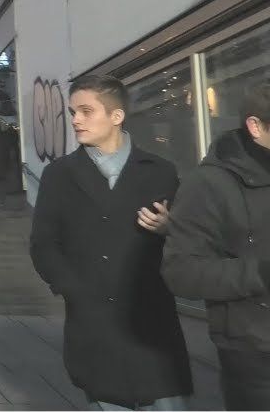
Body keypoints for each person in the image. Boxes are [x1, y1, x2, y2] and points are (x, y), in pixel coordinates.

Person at [30, 74, 191, 410]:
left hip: (151, 324)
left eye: (86, 111)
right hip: (93, 324)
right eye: (73, 112)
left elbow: (191, 241)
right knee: (106, 396)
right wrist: (72, 289)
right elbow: (43, 244)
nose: (75, 120)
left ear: (116, 116)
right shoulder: (59, 175)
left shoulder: (160, 171)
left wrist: (169, 228)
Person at [162, 82, 270, 410]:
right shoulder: (208, 183)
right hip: (256, 356)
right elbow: (181, 271)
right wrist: (260, 273)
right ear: (255, 126)